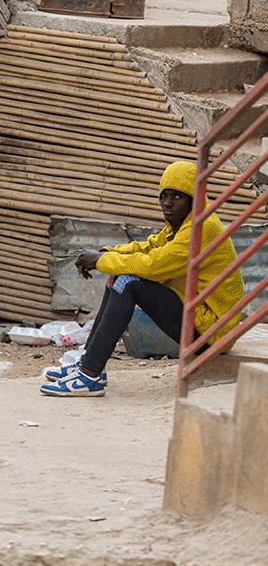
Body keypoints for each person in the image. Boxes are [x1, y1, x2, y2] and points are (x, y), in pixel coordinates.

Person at [40, 161, 246, 397]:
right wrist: (108, 254)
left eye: (178, 197)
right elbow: (149, 246)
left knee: (128, 282)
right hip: (198, 316)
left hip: (212, 332)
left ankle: (89, 376)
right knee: (119, 275)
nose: (168, 203)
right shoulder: (184, 225)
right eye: (164, 195)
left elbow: (154, 265)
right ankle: (90, 363)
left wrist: (100, 261)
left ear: (194, 199)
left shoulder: (201, 229)